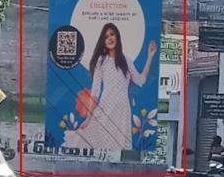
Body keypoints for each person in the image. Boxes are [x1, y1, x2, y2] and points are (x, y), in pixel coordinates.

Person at [64, 23, 156, 153]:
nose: (110, 38)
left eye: (112, 34)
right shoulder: (101, 61)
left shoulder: (126, 60)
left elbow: (140, 81)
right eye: (106, 36)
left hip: (122, 111)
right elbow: (95, 91)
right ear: (103, 41)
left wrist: (150, 57)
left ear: (117, 37)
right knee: (95, 143)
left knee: (119, 149)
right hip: (105, 108)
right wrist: (89, 118)